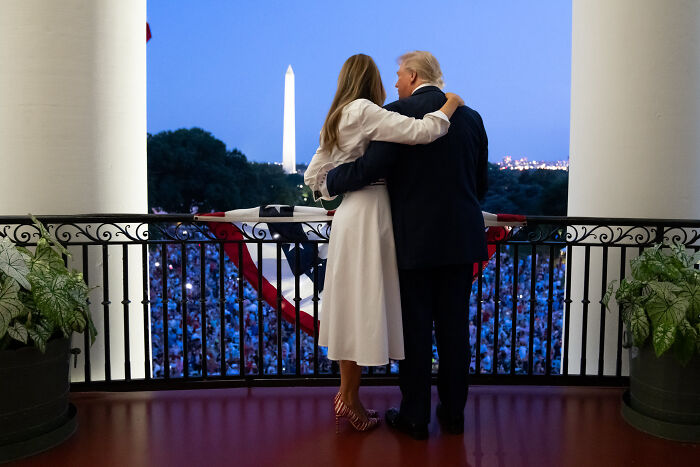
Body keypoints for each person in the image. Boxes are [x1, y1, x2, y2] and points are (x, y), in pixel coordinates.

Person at [316, 51, 489, 439]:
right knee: (454, 331)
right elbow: (480, 186)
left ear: (412, 76)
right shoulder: (473, 118)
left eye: (398, 75)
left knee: (415, 332)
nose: (395, 82)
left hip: (412, 241)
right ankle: (454, 413)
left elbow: (372, 170)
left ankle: (414, 416)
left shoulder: (395, 112)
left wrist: (327, 182)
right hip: (461, 240)